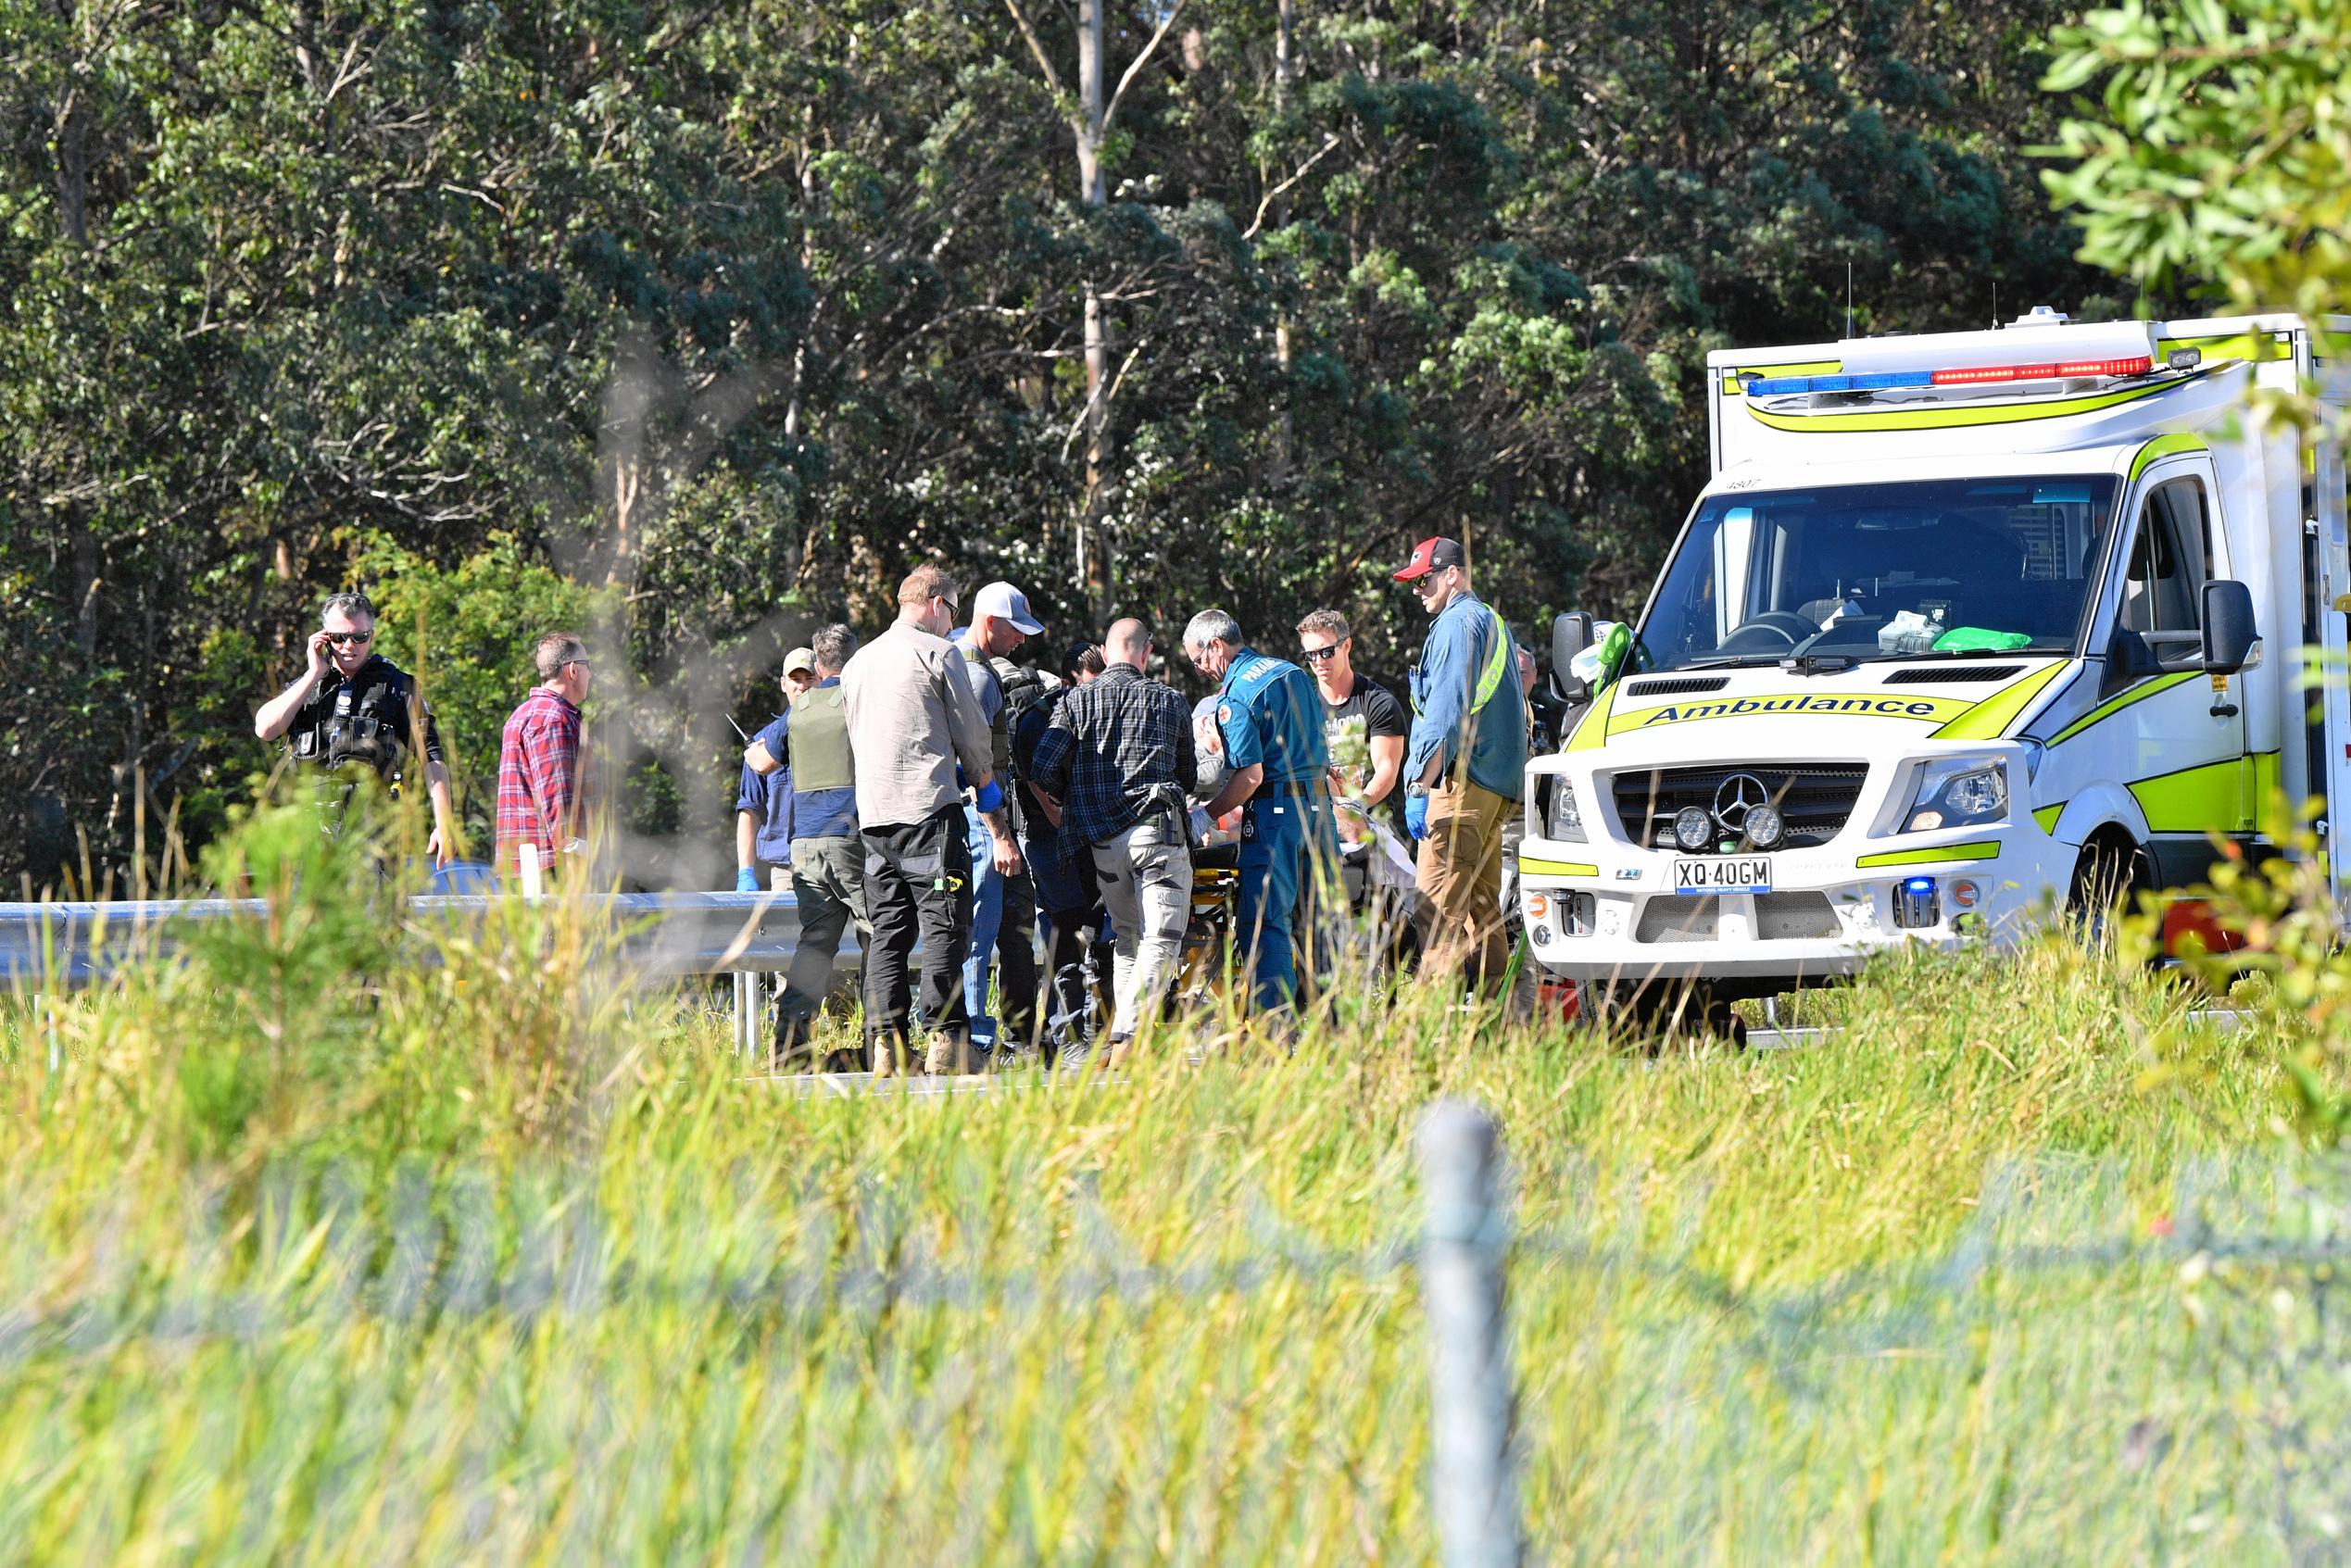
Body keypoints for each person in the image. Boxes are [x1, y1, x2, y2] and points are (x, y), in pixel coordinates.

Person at [841, 564, 997, 1074]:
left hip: (875, 819)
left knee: (887, 932)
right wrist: (984, 781)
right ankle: (947, 1041)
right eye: (952, 610)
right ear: (934, 604)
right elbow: (971, 734)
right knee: (945, 925)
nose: (952, 621)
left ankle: (885, 1045)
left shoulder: (857, 663)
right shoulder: (939, 652)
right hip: (929, 812)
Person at [1029, 618, 1196, 1058]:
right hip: (1156, 834)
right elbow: (1189, 774)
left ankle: (1127, 1039)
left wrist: (1078, 795)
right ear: (1147, 652)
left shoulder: (1075, 701)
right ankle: (1126, 1033)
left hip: (1103, 842)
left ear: (1104, 653)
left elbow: (1043, 766)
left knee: (1127, 938)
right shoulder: (1170, 699)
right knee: (1161, 938)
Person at [1186, 609, 1338, 1015]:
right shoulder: (1291, 672)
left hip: (1276, 815)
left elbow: (1250, 776)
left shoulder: (1236, 695)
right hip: (1321, 810)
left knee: (1266, 923)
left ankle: (1275, 1030)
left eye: (1199, 660)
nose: (1200, 670)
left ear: (1216, 645)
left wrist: (1206, 812)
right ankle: (1335, 1030)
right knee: (1321, 925)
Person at [1393, 536, 1528, 988]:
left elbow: (1445, 714)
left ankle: (1424, 1033)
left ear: (1452, 575)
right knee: (1482, 914)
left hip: (1461, 788)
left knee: (1436, 909)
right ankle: (1500, 1025)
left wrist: (1418, 785)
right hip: (1494, 789)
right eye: (1414, 583)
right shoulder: (1492, 621)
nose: (1418, 590)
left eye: (1424, 580)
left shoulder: (1455, 626)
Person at [252, 590, 459, 863]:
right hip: (311, 832)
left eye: (358, 637)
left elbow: (431, 756)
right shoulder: (307, 687)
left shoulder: (396, 686)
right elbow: (265, 729)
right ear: (324, 637)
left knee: (375, 905)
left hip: (372, 831)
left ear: (371, 636)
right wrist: (314, 674)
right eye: (339, 637)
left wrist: (444, 823)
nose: (349, 645)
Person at [743, 628, 866, 1065]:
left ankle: (790, 1047)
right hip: (852, 840)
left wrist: (751, 749)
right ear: (852, 663)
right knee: (876, 936)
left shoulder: (796, 713)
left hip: (804, 847)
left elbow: (760, 761)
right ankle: (883, 1042)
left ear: (817, 667)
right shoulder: (859, 700)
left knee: (814, 944)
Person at [952, 582, 1045, 1055]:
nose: (1022, 641)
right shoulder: (981, 678)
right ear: (990, 623)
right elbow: (973, 764)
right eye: (1016, 630)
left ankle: (970, 1035)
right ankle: (976, 1041)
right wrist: (1000, 835)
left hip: (964, 813)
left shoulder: (950, 657)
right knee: (977, 931)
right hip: (979, 817)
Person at [1016, 643, 1109, 1054]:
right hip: (1053, 838)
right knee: (1068, 933)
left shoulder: (1088, 706)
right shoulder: (1043, 715)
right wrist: (1053, 812)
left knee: (1089, 932)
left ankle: (1083, 1031)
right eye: (1092, 680)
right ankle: (1070, 1035)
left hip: (1085, 836)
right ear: (1072, 676)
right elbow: (1028, 769)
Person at [1296, 608, 1407, 841]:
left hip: (1370, 820)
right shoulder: (1303, 707)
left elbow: (1386, 770)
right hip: (1319, 820)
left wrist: (1355, 807)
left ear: (1346, 646)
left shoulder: (1378, 702)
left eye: (1326, 652)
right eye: (1310, 655)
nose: (1318, 662)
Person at [496, 632, 594, 883]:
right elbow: (558, 800)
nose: (590, 675)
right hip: (549, 870)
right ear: (573, 670)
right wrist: (575, 868)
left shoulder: (523, 714)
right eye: (587, 666)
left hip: (527, 867)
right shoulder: (553, 718)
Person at [732, 646, 818, 895]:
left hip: (832, 859)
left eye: (809, 678)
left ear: (820, 679)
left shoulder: (842, 730)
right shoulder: (762, 743)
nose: (802, 686)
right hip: (786, 868)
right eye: (795, 679)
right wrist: (744, 872)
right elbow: (750, 808)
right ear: (783, 683)